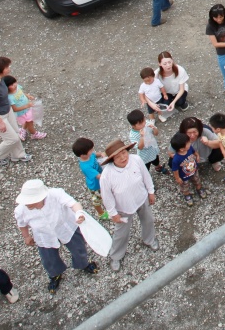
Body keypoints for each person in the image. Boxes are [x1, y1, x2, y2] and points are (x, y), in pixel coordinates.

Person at [13, 179, 97, 293]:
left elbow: (73, 204)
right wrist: (26, 236)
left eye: (31, 201)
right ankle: (55, 274)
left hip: (66, 228)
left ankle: (83, 264)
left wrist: (79, 213)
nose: (28, 204)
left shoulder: (56, 194)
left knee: (79, 248)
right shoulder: (20, 210)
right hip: (44, 236)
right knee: (48, 259)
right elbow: (22, 224)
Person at [98, 138, 158, 271]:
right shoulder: (106, 176)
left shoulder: (136, 159)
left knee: (148, 220)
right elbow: (106, 197)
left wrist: (151, 191)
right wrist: (113, 213)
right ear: (112, 159)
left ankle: (149, 239)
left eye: (124, 153)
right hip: (123, 208)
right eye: (117, 156)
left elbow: (146, 176)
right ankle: (116, 256)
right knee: (121, 233)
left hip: (142, 199)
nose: (123, 157)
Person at [71, 138, 109, 221]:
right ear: (82, 155)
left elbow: (95, 154)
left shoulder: (89, 155)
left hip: (100, 182)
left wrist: (102, 154)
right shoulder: (86, 166)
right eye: (90, 150)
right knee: (97, 200)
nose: (92, 151)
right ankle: (101, 213)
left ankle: (107, 206)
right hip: (95, 186)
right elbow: (99, 176)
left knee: (105, 195)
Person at [127, 109, 166, 176]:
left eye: (144, 120)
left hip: (153, 149)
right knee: (146, 168)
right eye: (140, 123)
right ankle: (146, 177)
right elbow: (140, 147)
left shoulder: (147, 123)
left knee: (156, 160)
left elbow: (156, 134)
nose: (144, 124)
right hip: (144, 155)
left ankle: (158, 167)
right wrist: (142, 136)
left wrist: (154, 128)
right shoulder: (133, 135)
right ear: (133, 126)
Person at [4, 75, 44, 142]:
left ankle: (23, 130)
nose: (15, 85)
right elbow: (15, 109)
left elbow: (22, 93)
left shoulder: (17, 88)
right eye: (11, 84)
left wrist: (28, 96)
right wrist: (27, 106)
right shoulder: (10, 97)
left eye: (15, 82)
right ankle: (34, 134)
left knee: (27, 122)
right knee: (30, 123)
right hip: (22, 113)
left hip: (27, 109)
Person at [169, 134, 204, 206]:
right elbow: (175, 170)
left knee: (197, 180)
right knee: (185, 187)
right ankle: (187, 195)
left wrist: (197, 156)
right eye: (188, 143)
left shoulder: (189, 148)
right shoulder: (176, 159)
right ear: (181, 149)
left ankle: (199, 189)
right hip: (183, 176)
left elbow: (194, 152)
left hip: (194, 171)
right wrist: (177, 178)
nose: (190, 143)